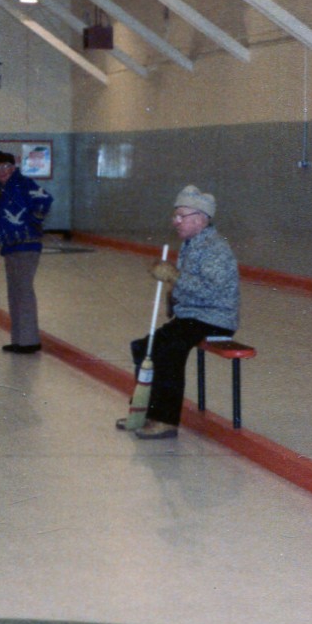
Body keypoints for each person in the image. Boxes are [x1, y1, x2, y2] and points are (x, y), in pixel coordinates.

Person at [120, 184, 238, 438]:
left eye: (181, 216)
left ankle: (166, 420)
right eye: (175, 216)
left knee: (168, 351)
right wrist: (173, 293)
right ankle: (145, 411)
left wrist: (174, 276)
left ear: (201, 219)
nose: (175, 222)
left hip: (214, 317)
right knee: (144, 347)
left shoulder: (215, 249)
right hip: (193, 315)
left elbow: (210, 292)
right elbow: (190, 285)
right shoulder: (191, 243)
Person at [0, 151, 54, 353]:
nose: (1, 171)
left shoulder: (23, 183)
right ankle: (19, 340)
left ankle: (29, 341)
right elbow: (1, 217)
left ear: (13, 168)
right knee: (14, 293)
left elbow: (46, 199)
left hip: (26, 245)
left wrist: (36, 220)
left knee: (23, 291)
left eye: (5, 167)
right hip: (10, 247)